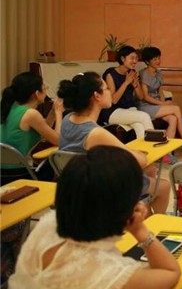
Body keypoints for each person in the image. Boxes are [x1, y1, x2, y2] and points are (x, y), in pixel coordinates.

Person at [5, 146, 182, 289]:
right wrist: (140, 230)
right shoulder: (110, 277)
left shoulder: (47, 225)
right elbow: (171, 272)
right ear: (124, 209)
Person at [57, 72, 170, 214]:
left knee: (151, 171)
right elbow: (140, 161)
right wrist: (137, 153)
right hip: (100, 186)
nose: (110, 92)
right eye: (106, 89)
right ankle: (155, 226)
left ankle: (139, 216)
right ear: (96, 96)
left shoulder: (68, 119)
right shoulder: (95, 133)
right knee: (164, 186)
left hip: (78, 182)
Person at [1, 72, 63, 184]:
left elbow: (43, 131)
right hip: (19, 174)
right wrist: (59, 113)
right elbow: (58, 140)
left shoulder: (10, 107)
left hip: (4, 173)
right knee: (57, 164)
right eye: (45, 88)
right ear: (37, 93)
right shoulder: (31, 114)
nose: (47, 91)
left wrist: (53, 112)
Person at [100, 45, 154, 139]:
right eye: (132, 58)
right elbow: (113, 100)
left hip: (129, 110)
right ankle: (156, 150)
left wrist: (135, 85)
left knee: (140, 127)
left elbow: (141, 97)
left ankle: (143, 152)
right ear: (122, 58)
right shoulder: (110, 74)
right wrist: (126, 82)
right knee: (144, 116)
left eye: (136, 58)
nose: (135, 61)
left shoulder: (132, 72)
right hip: (113, 112)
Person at [137, 46, 182, 139]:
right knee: (176, 108)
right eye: (154, 59)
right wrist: (163, 104)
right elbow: (145, 97)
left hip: (156, 104)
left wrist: (164, 103)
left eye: (158, 58)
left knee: (173, 119)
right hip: (145, 106)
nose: (158, 61)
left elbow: (160, 92)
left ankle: (167, 149)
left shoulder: (158, 73)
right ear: (147, 62)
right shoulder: (144, 74)